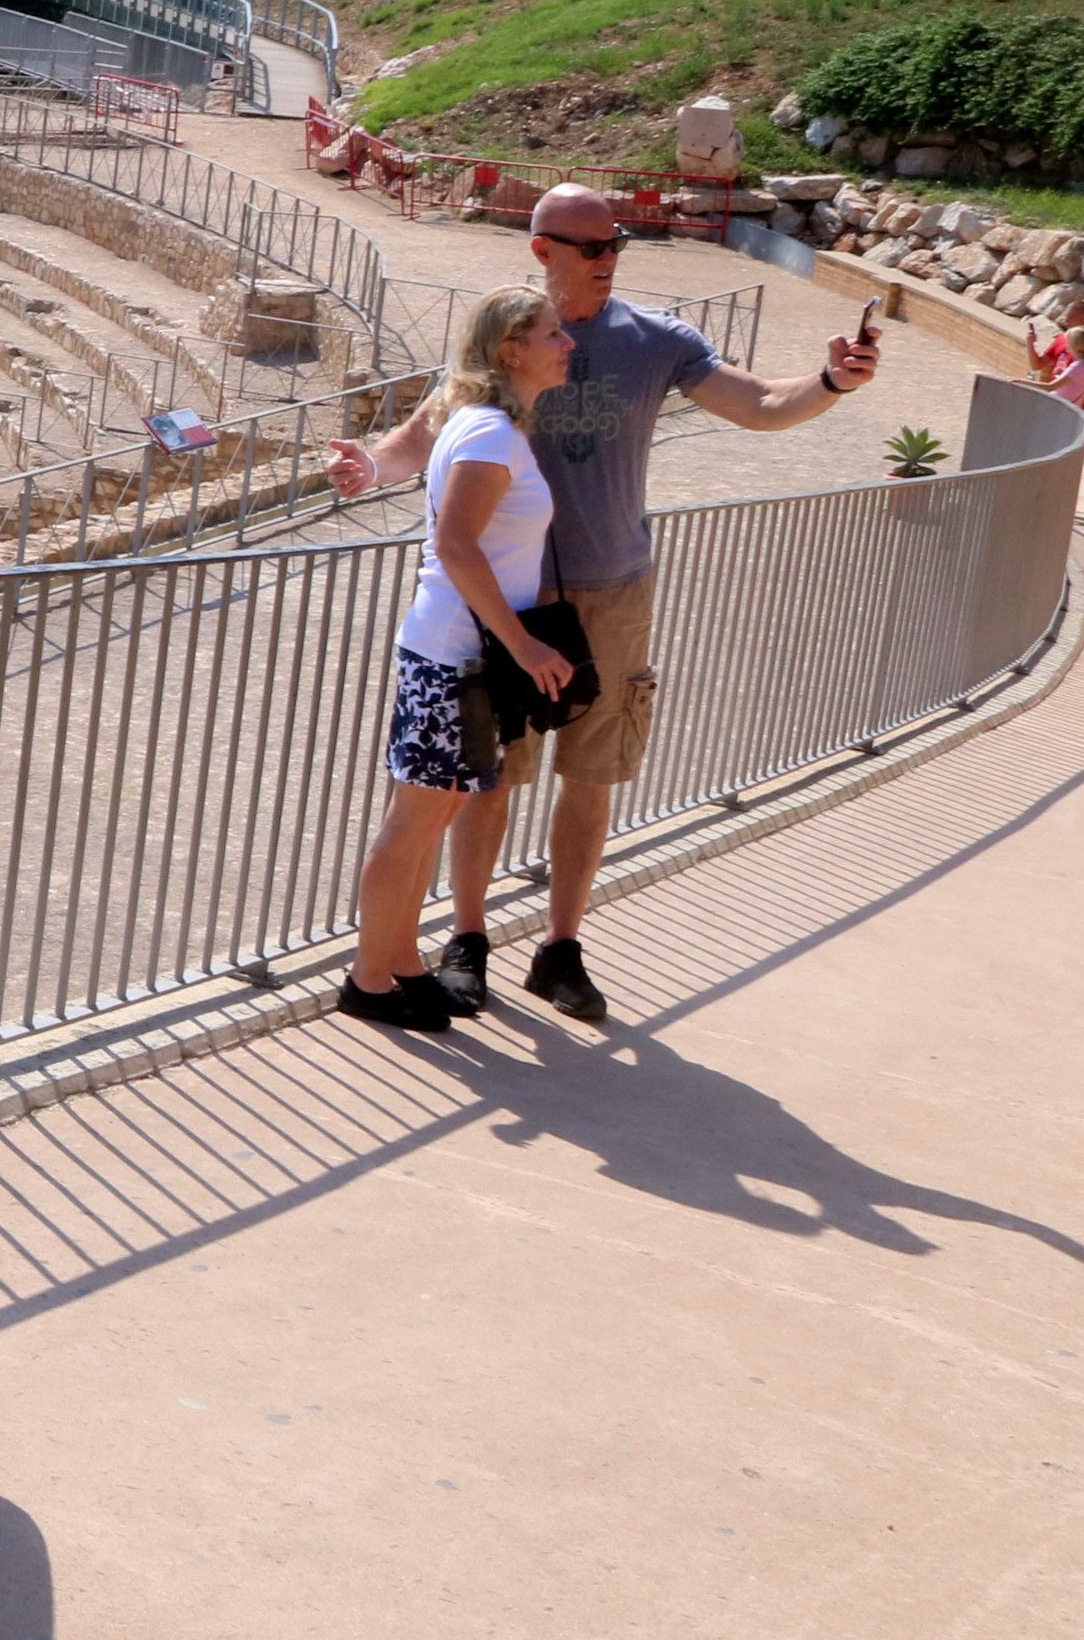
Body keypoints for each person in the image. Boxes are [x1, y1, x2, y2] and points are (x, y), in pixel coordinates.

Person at [328, 182, 879, 1023]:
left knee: (591, 773)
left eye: (617, 242)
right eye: (592, 247)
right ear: (543, 250)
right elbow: (425, 434)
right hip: (511, 604)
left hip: (611, 591)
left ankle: (560, 948)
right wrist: (370, 466)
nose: (610, 258)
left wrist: (832, 380)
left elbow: (763, 405)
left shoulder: (657, 340)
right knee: (488, 781)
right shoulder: (508, 342)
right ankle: (465, 942)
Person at [345, 291, 582, 1034]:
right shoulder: (488, 434)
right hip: (456, 655)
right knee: (415, 821)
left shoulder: (487, 427)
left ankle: (402, 964)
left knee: (437, 810)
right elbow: (455, 546)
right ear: (511, 350)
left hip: (457, 654)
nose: (567, 342)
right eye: (552, 333)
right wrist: (525, 644)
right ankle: (368, 979)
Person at [1035, 296, 1084, 413]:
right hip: (1053, 400)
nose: (1067, 320)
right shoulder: (1062, 338)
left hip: (1070, 406)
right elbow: (1040, 366)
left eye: (1071, 316)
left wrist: (1078, 379)